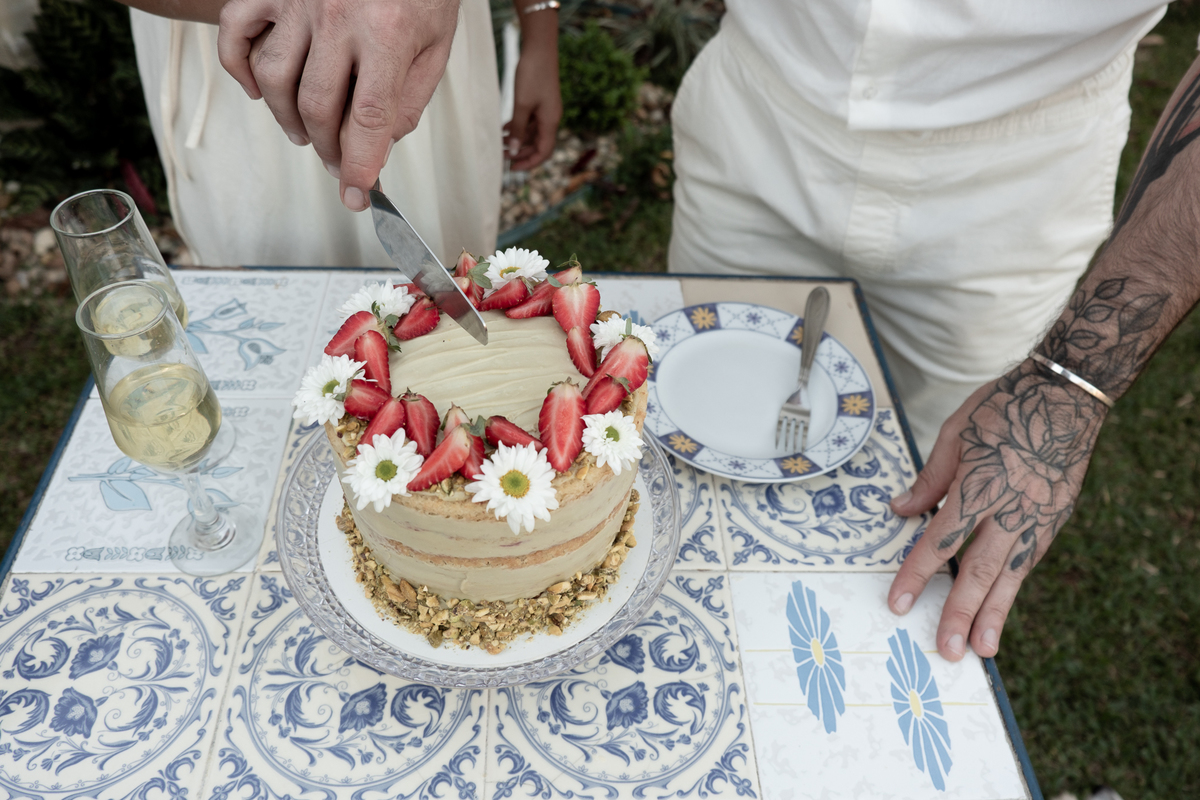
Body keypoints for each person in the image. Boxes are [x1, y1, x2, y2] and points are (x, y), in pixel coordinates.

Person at [668, 3, 1200, 662]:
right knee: (697, 439)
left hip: (1018, 182)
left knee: (921, 508)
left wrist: (1069, 383)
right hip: (760, 113)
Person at [118, 0, 561, 267]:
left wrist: (540, 24)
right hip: (242, 58)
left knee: (453, 262)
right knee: (267, 292)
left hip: (423, 38)